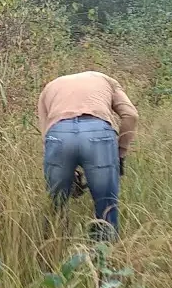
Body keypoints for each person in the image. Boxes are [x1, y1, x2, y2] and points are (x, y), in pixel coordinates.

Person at [37, 71, 138, 239]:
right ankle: (103, 258)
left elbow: (46, 136)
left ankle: (55, 253)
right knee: (106, 205)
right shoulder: (108, 80)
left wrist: (70, 171)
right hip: (98, 133)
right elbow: (131, 115)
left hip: (59, 134)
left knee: (56, 204)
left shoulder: (49, 88)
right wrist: (120, 153)